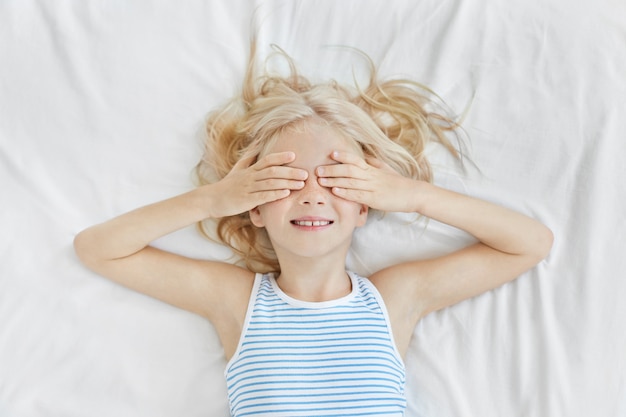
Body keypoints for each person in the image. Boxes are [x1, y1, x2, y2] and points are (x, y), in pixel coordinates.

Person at [73, 44, 553, 416]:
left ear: (364, 208)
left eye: (335, 179)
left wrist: (409, 195)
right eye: (285, 180)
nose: (312, 194)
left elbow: (529, 244)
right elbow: (97, 249)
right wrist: (214, 200)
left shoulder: (394, 299)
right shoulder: (237, 301)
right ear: (256, 209)